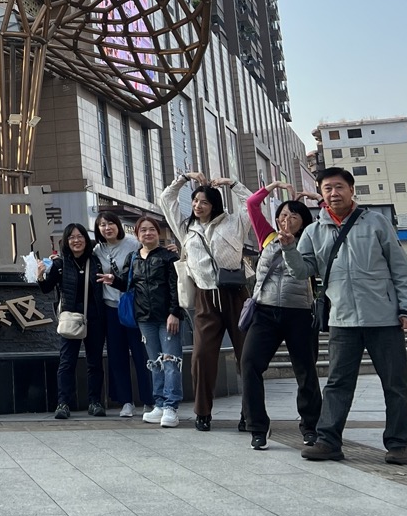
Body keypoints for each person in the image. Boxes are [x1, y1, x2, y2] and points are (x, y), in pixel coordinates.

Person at [280, 167, 407, 465]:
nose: (334, 193)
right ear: (321, 194)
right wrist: (289, 248)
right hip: (342, 320)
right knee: (337, 384)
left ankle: (398, 444)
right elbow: (302, 271)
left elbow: (400, 268)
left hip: (384, 318)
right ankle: (328, 441)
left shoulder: (377, 222)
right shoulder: (314, 231)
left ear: (351, 189)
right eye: (327, 188)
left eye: (339, 187)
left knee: (394, 384)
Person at [159, 171, 254, 431]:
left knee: (247, 355)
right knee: (201, 356)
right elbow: (166, 199)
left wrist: (232, 184)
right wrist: (183, 177)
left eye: (204, 202)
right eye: (195, 201)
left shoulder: (234, 223)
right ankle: (203, 412)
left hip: (236, 296)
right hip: (205, 297)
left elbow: (252, 203)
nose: (197, 206)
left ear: (214, 205)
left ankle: (250, 413)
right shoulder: (185, 229)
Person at [239, 181, 322, 450]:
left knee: (306, 371)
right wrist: (272, 186)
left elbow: (333, 220)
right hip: (264, 312)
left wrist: (318, 198)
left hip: (299, 313)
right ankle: (257, 426)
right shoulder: (267, 236)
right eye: (283, 215)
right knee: (250, 364)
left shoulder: (312, 240)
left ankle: (310, 426)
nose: (287, 219)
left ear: (303, 221)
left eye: (294, 216)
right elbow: (252, 204)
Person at [105, 215, 183, 427]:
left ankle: (171, 407)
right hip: (144, 319)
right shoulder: (133, 258)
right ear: (137, 235)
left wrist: (174, 312)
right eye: (143, 230)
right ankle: (159, 404)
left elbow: (176, 287)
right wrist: (114, 281)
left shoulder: (168, 257)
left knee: (171, 361)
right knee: (155, 363)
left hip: (167, 317)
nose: (147, 233)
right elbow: (128, 284)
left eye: (151, 229)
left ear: (158, 233)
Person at [37, 222, 107, 419]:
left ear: (86, 239)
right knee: (67, 362)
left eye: (80, 236)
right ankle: (63, 404)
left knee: (95, 362)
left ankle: (95, 402)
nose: (76, 240)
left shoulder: (95, 261)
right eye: (72, 237)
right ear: (66, 241)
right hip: (70, 317)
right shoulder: (60, 264)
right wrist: (40, 276)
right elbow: (46, 288)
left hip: (95, 317)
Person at [92, 213, 153, 417]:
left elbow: (150, 253)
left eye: (110, 223)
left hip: (134, 307)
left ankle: (149, 400)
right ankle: (126, 401)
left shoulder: (133, 243)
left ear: (118, 225)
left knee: (141, 354)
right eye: (102, 225)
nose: (107, 227)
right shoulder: (98, 250)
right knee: (117, 356)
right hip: (111, 308)